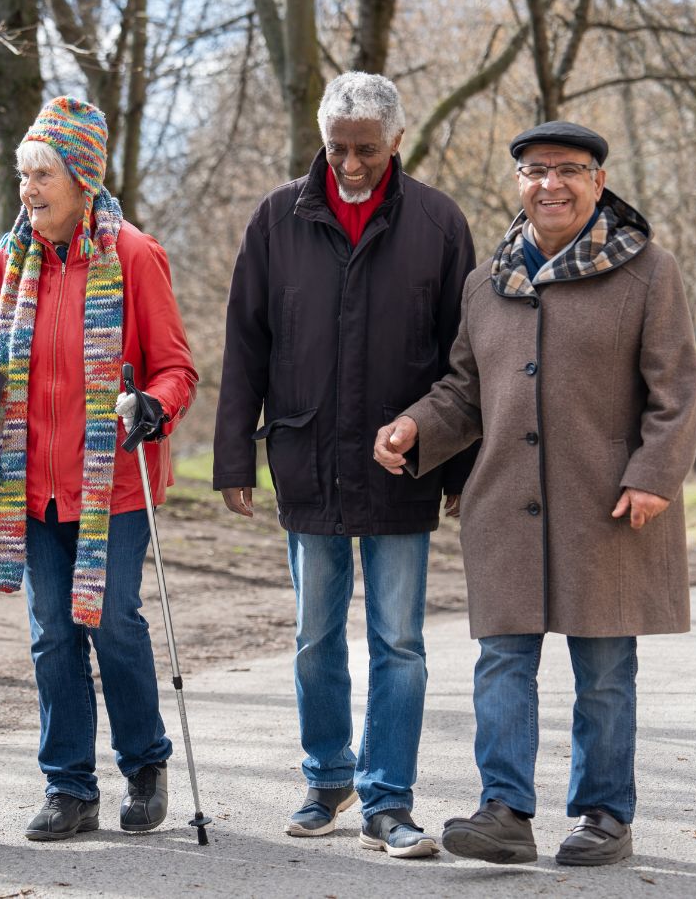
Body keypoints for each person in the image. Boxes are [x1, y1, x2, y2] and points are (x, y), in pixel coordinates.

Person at [374, 121, 696, 867]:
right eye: (534, 170)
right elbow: (463, 390)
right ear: (517, 181)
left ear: (597, 181)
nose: (550, 183)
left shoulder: (649, 271)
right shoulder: (486, 283)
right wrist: (412, 428)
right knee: (503, 664)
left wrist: (654, 476)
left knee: (606, 671)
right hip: (504, 508)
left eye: (569, 170)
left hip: (608, 508)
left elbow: (676, 392)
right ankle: (504, 812)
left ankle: (603, 816)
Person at [211, 72, 474, 858]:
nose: (351, 165)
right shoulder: (276, 219)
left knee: (400, 642)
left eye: (365, 149)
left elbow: (466, 357)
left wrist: (457, 467)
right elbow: (245, 343)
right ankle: (328, 779)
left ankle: (388, 800)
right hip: (306, 459)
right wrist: (234, 457)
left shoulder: (438, 221)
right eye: (337, 148)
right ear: (321, 140)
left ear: (396, 140)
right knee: (313, 636)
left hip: (405, 470)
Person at [0, 96, 198, 842]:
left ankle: (145, 762)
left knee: (112, 622)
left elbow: (176, 368)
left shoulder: (134, 254)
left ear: (83, 177)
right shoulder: (11, 260)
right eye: (23, 175)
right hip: (33, 485)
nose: (29, 189)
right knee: (51, 633)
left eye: (42, 173)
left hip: (115, 486)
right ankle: (69, 787)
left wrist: (151, 406)